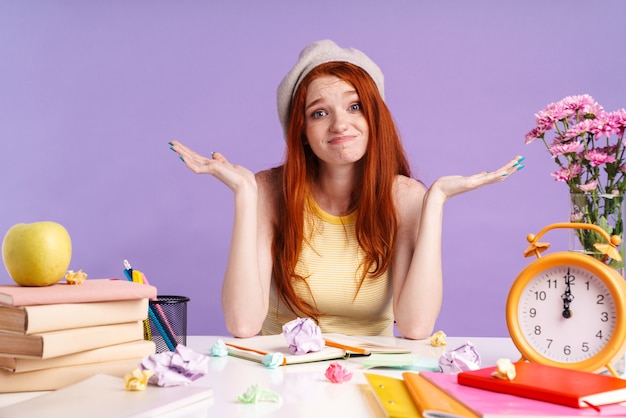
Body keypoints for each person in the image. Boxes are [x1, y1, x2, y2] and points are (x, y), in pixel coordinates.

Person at [169, 40, 523, 340]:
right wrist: (246, 195)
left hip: (370, 376)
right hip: (281, 378)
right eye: (319, 113)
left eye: (355, 107)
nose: (341, 124)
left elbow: (416, 327)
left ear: (374, 118)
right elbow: (243, 323)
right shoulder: (269, 191)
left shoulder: (406, 199)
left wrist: (436, 200)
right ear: (302, 132)